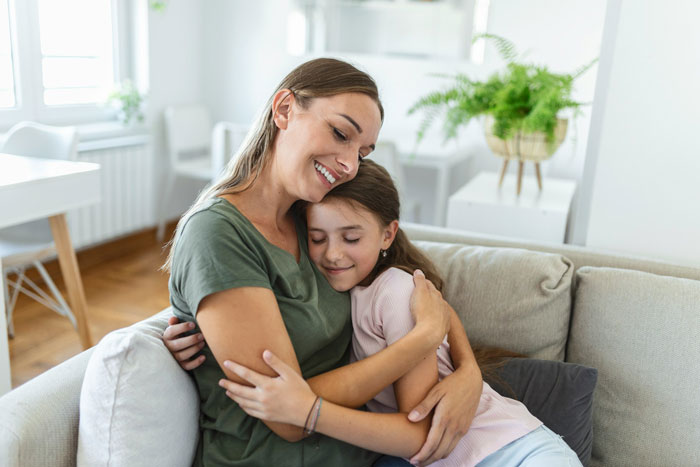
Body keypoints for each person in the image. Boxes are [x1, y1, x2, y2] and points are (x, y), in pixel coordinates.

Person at [162, 58, 483, 467]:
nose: (350, 164)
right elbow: (287, 417)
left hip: (364, 453)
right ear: (284, 110)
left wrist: (468, 372)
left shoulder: (314, 219)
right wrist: (420, 341)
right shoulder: (217, 234)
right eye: (340, 133)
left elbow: (410, 280)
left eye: (363, 151)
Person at [215, 160, 584, 466]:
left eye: (352, 238)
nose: (333, 254)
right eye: (317, 238)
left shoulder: (393, 289)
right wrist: (193, 330)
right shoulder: (327, 286)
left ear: (387, 235)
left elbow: (419, 425)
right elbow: (254, 311)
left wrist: (309, 411)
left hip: (510, 450)